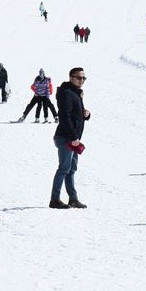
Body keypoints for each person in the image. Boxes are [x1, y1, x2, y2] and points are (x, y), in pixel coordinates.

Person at [50, 67, 89, 209]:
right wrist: (73, 137)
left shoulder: (75, 93)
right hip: (66, 137)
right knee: (64, 168)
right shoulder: (67, 93)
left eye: (84, 78)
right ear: (71, 77)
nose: (82, 80)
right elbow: (64, 116)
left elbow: (75, 115)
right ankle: (54, 200)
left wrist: (86, 114)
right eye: (79, 78)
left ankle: (73, 199)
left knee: (71, 169)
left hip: (73, 138)